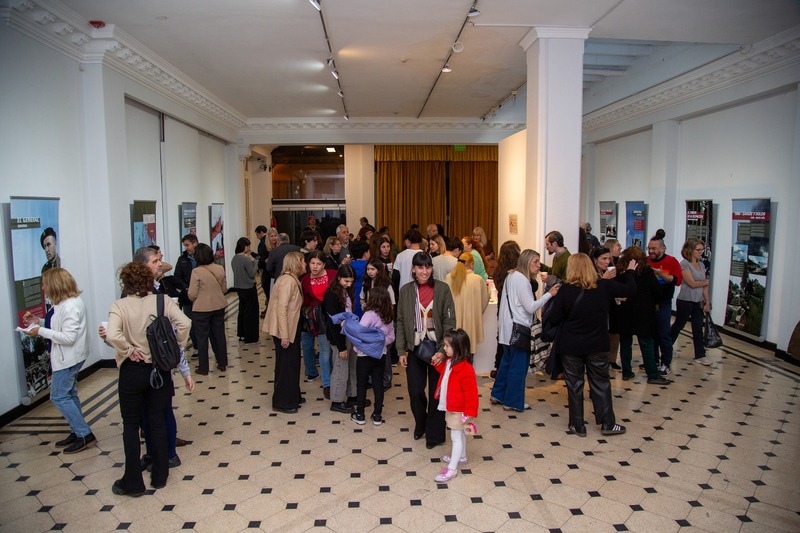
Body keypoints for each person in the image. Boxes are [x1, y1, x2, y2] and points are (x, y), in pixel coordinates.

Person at [105, 262, 191, 496]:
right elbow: (185, 323)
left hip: (132, 370)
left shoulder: (119, 305)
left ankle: (132, 481)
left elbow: (112, 334)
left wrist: (128, 349)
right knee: (157, 421)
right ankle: (160, 475)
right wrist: (176, 347)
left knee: (131, 425)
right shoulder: (161, 300)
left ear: (125, 283)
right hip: (159, 369)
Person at [543, 254, 637, 438]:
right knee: (601, 383)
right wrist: (631, 272)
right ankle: (608, 423)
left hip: (571, 345)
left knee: (575, 384)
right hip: (598, 344)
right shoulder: (603, 286)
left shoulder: (566, 291)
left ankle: (577, 425)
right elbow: (630, 290)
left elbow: (554, 318)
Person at [23, 268, 95, 453]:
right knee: (69, 393)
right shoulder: (62, 303)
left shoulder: (70, 306)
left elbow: (68, 337)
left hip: (69, 358)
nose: (43, 287)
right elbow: (55, 324)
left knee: (58, 396)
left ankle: (84, 434)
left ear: (55, 284)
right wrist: (38, 322)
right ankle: (77, 430)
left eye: (45, 283)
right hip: (67, 356)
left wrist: (39, 331)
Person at [396, 253, 456, 449]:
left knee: (437, 393)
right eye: (420, 267)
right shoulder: (405, 291)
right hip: (415, 349)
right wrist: (400, 350)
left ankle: (434, 434)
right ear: (413, 269)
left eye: (428, 267)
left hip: (438, 348)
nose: (424, 271)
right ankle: (420, 424)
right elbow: (401, 321)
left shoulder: (442, 289)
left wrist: (443, 350)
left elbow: (449, 322)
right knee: (415, 391)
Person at [491, 249, 558, 412]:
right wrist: (549, 294)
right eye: (535, 262)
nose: (538, 265)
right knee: (518, 367)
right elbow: (531, 307)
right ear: (526, 262)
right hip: (518, 329)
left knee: (506, 363)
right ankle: (512, 401)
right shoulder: (522, 280)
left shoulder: (511, 276)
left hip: (507, 329)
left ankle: (498, 394)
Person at [616, 246, 671, 385]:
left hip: (625, 311)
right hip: (644, 312)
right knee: (646, 343)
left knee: (625, 342)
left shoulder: (621, 271)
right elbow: (658, 291)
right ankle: (652, 374)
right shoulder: (647, 272)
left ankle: (627, 372)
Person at [431, 328, 479, 483]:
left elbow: (472, 394)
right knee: (459, 434)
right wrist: (436, 360)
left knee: (455, 436)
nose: (444, 348)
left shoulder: (466, 369)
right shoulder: (451, 362)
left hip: (459, 410)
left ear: (457, 348)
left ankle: (452, 469)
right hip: (451, 406)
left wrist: (469, 412)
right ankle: (462, 456)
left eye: (447, 346)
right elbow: (444, 374)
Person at [263, 251, 306, 414]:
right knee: (285, 366)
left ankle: (293, 395)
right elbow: (282, 309)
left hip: (291, 329)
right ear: (296, 263)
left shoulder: (292, 279)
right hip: (285, 330)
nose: (305, 264)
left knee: (292, 364)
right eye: (303, 261)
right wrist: (285, 335)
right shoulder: (288, 281)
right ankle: (282, 401)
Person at [351, 286, 395, 426]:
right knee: (378, 384)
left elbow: (359, 333)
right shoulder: (388, 316)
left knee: (362, 384)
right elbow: (391, 337)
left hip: (364, 354)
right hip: (380, 354)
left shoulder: (369, 314)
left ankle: (360, 414)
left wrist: (356, 348)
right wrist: (380, 342)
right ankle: (377, 415)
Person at [670, 238, 712, 365]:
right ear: (690, 250)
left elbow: (704, 286)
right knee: (679, 325)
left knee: (698, 327)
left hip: (698, 300)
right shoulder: (684, 264)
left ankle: (700, 355)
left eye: (702, 250)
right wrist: (705, 282)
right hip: (685, 300)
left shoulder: (702, 264)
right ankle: (666, 346)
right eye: (698, 250)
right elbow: (692, 283)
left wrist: (707, 302)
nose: (700, 252)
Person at [188, 243, 228, 375]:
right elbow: (224, 289)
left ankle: (203, 367)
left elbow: (192, 294)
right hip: (218, 306)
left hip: (201, 309)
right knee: (219, 335)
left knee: (202, 338)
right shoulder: (219, 268)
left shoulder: (196, 271)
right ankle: (222, 363)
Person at [323, 265, 358, 414]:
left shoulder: (346, 290)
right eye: (346, 281)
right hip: (339, 337)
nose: (349, 284)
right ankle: (337, 400)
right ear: (338, 278)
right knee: (340, 368)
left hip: (349, 333)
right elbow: (332, 323)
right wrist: (341, 346)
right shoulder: (331, 294)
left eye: (351, 281)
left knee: (352, 366)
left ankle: (352, 395)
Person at [647, 229, 683, 374]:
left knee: (663, 334)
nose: (651, 251)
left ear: (662, 248)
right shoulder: (646, 261)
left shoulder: (671, 261)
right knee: (651, 333)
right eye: (649, 248)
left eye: (654, 248)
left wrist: (661, 274)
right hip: (648, 303)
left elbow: (677, 281)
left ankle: (666, 363)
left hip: (663, 303)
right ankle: (653, 360)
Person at [300, 250, 335, 392]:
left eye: (318, 264)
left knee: (334, 350)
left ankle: (335, 376)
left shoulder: (333, 275)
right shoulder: (305, 280)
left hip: (334, 316)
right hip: (318, 318)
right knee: (325, 350)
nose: (315, 266)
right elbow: (305, 301)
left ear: (324, 265)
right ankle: (327, 383)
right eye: (312, 263)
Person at [360, 258, 396, 390]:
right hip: (370, 320)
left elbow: (392, 304)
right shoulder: (366, 283)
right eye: (368, 269)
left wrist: (385, 316)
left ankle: (386, 380)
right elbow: (362, 298)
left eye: (373, 269)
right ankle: (372, 378)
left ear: (379, 270)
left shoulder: (387, 284)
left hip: (384, 320)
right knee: (371, 350)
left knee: (384, 351)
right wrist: (366, 307)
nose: (370, 272)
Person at [445, 253, 489, 355]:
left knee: (453, 352)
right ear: (472, 264)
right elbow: (484, 300)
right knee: (468, 353)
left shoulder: (448, 278)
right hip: (470, 323)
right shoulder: (477, 279)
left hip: (452, 322)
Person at [491, 240, 521, 378]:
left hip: (502, 307)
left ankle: (499, 366)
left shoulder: (499, 271)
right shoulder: (519, 272)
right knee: (516, 338)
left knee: (502, 337)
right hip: (516, 308)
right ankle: (512, 367)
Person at [592, 247, 621, 371]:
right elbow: (592, 293)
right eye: (603, 258)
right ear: (595, 260)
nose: (607, 261)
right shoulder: (592, 274)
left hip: (611, 309)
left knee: (613, 334)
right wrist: (604, 279)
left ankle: (611, 360)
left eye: (609, 258)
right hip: (596, 312)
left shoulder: (612, 272)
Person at [232, 237, 259, 344]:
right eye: (248, 246)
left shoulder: (234, 258)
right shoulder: (245, 258)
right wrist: (255, 262)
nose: (249, 248)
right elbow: (252, 273)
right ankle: (250, 336)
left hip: (239, 287)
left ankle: (242, 334)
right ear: (245, 246)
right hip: (248, 287)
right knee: (251, 313)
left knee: (242, 311)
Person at [174, 234, 199, 348]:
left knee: (201, 321)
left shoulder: (203, 257)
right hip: (187, 296)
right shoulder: (182, 259)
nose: (186, 248)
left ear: (195, 243)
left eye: (188, 245)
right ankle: (197, 346)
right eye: (184, 245)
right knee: (191, 321)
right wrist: (186, 287)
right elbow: (177, 276)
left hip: (201, 295)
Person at [349, 240, 370, 316]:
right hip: (365, 295)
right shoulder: (369, 266)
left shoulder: (350, 265)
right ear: (365, 254)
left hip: (352, 295)